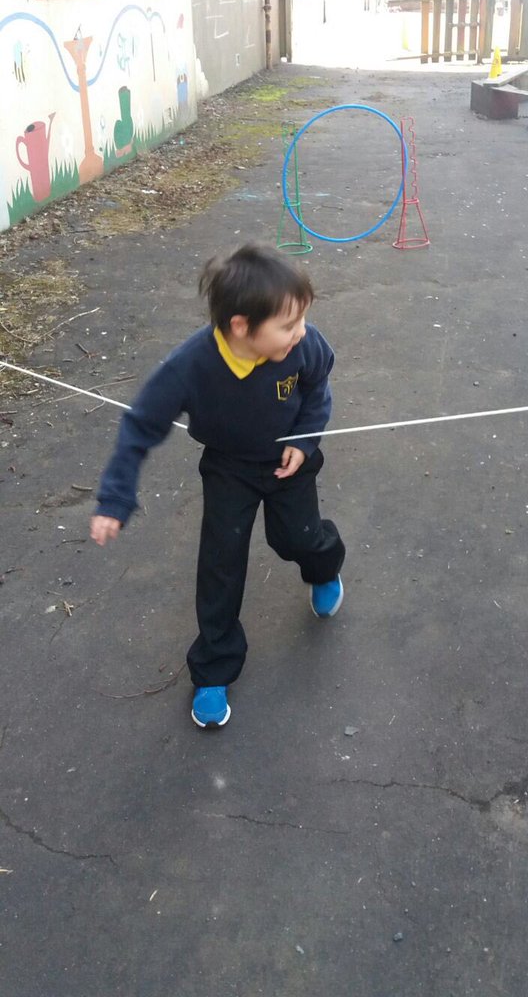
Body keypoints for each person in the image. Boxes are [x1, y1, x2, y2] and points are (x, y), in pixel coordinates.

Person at [90, 243, 345, 729]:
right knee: (220, 565)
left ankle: (325, 566)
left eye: (303, 320)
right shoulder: (191, 366)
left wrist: (307, 438)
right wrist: (115, 497)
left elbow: (318, 387)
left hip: (290, 463)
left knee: (296, 538)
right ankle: (213, 668)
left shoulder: (303, 347)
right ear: (242, 327)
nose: (302, 332)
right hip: (229, 469)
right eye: (289, 325)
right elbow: (139, 427)